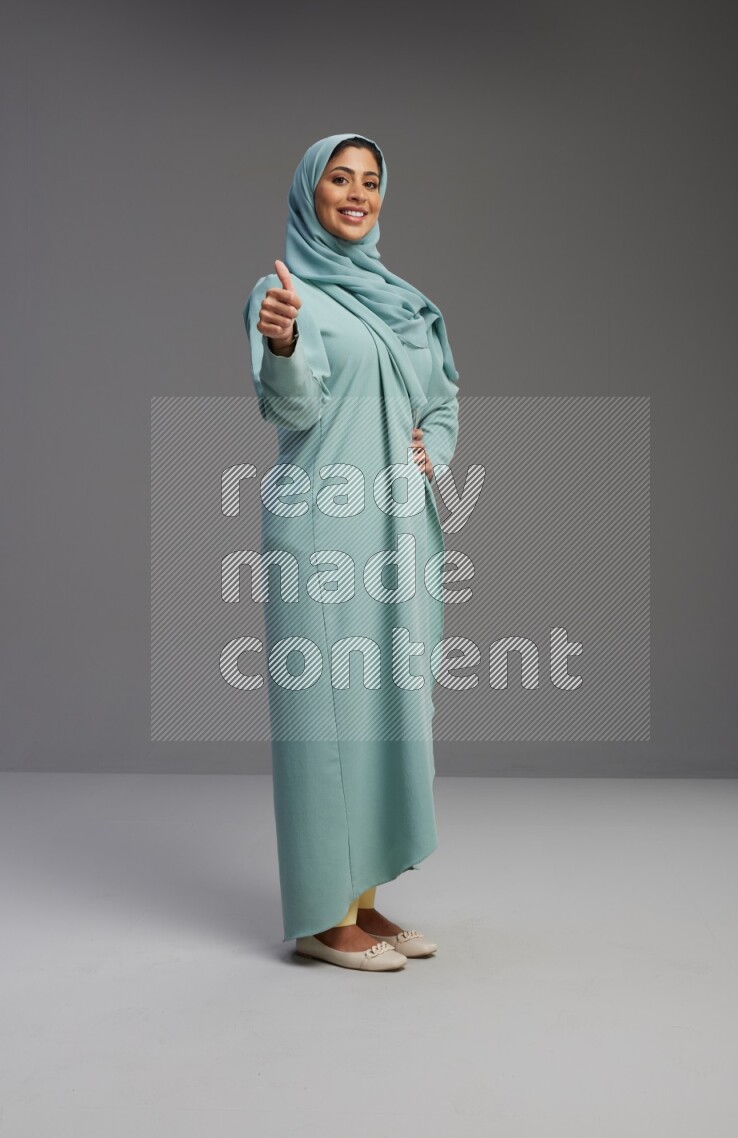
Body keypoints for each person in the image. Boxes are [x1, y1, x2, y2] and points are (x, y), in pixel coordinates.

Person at [242, 133, 459, 972]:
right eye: (340, 178)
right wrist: (285, 345)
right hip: (322, 533)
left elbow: (440, 400)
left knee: (387, 714)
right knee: (324, 721)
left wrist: (430, 449)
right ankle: (319, 918)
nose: (357, 193)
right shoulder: (283, 293)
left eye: (371, 181)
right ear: (311, 192)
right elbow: (290, 413)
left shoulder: (403, 300)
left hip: (399, 531)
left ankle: (362, 901)